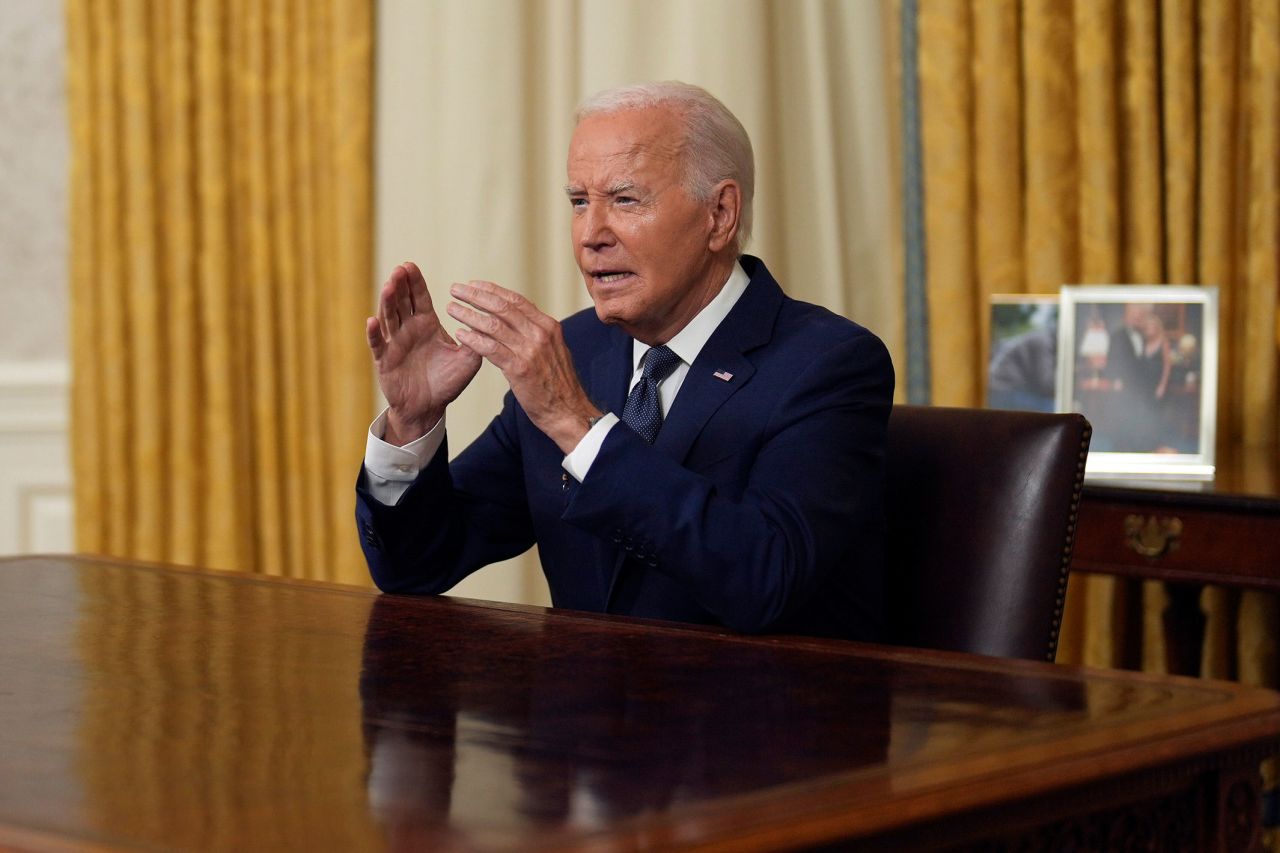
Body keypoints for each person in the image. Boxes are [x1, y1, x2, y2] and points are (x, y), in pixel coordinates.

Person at [355, 82, 894, 640]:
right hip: (585, 717)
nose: (591, 236)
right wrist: (411, 425)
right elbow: (418, 564)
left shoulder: (829, 364)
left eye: (625, 200)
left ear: (720, 214)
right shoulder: (575, 351)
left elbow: (764, 579)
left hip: (754, 717)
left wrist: (576, 423)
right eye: (579, 202)